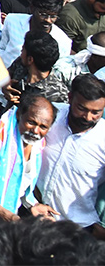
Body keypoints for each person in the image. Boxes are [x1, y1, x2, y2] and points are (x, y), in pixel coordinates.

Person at [29, 74, 105, 226]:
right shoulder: (49, 117)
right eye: (81, 109)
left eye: (96, 112)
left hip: (76, 227)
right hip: (32, 211)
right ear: (70, 98)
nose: (88, 117)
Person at [0, 93, 56, 219]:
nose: (36, 131)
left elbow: (20, 187)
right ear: (19, 115)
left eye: (43, 127)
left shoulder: (38, 146)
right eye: (31, 122)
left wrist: (33, 204)